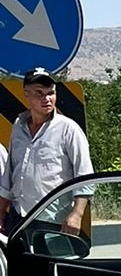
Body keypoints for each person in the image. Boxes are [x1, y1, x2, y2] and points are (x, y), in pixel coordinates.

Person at [0, 68, 94, 235]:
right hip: (18, 217)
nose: (47, 99)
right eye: (39, 93)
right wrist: (1, 212)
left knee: (47, 262)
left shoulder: (68, 129)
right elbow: (9, 174)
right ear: (26, 94)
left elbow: (85, 176)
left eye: (51, 93)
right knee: (16, 262)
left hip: (51, 219)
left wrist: (77, 214)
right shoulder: (18, 126)